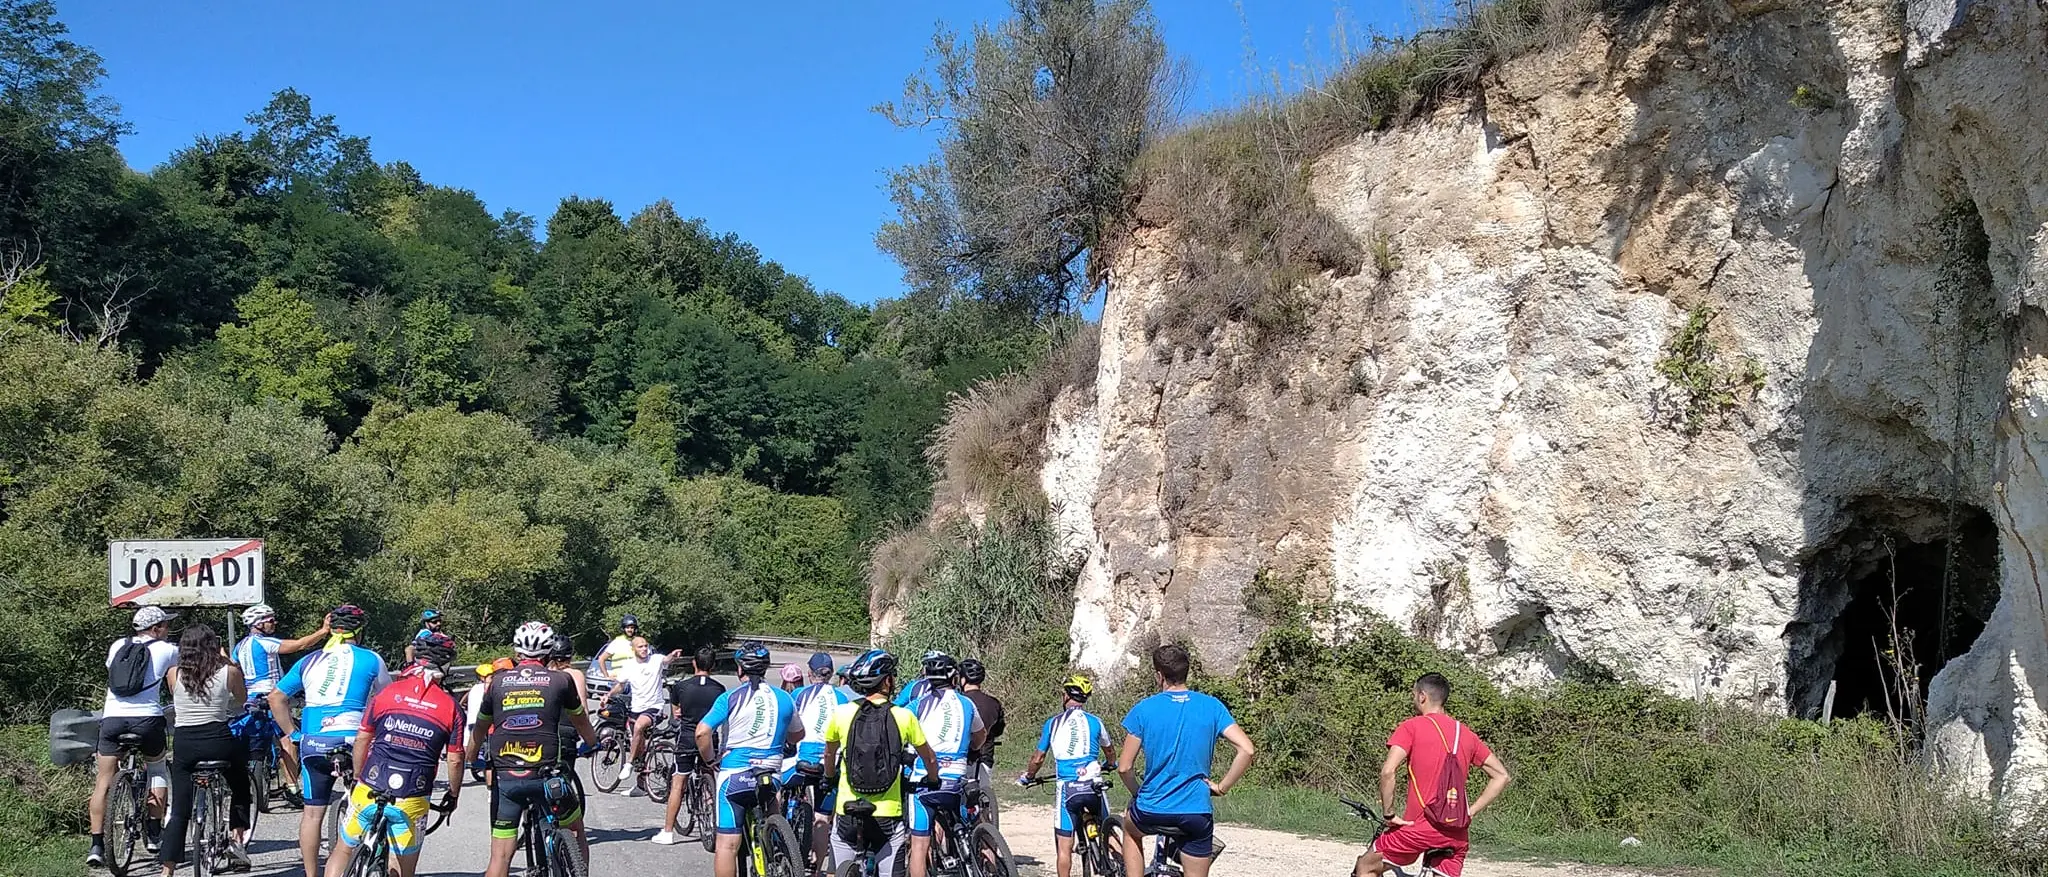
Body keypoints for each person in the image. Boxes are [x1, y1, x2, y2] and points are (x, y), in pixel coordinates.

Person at [326, 633, 465, 877]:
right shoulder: (451, 706)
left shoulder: (387, 693)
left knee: (343, 850)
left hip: (370, 786)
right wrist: (453, 794)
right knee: (402, 866)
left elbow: (362, 738)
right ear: (446, 665)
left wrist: (358, 776)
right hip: (412, 796)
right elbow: (454, 759)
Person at [270, 604, 391, 877]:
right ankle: (367, 854)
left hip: (314, 742)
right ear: (358, 633)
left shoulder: (309, 660)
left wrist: (294, 734)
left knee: (313, 814)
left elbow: (275, 697)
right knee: (371, 800)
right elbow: (387, 701)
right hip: (353, 739)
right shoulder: (371, 658)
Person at [1115, 644, 1255, 877]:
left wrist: (1137, 792)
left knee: (1130, 831)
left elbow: (1124, 767)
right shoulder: (1212, 706)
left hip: (1151, 809)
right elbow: (1247, 750)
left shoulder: (1144, 709)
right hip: (1195, 812)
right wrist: (1221, 787)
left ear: (1159, 675)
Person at [1352, 674, 1511, 877]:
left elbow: (1388, 772)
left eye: (1413, 695)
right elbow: (1502, 776)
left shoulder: (1411, 727)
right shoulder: (1466, 734)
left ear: (1422, 696)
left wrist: (1389, 814)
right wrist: (1470, 812)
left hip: (1419, 827)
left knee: (1366, 866)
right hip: (1457, 833)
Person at [476, 621, 600, 877]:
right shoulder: (562, 680)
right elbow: (581, 721)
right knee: (576, 830)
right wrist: (593, 742)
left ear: (517, 650)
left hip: (508, 778)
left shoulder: (496, 682)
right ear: (548, 651)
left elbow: (479, 729)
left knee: (500, 856)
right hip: (547, 775)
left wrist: (471, 757)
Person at [821, 650, 939, 877]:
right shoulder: (904, 716)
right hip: (888, 813)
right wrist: (932, 779)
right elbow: (929, 758)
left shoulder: (842, 713)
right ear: (887, 681)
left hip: (848, 810)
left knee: (837, 866)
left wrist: (828, 777)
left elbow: (829, 755)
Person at [694, 641, 797, 877]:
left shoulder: (730, 697)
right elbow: (798, 734)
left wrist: (710, 760)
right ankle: (776, 846)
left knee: (727, 845)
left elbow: (702, 732)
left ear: (740, 667)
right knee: (772, 809)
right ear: (766, 667)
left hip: (736, 775)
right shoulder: (785, 698)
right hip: (771, 772)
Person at [157, 623, 252, 876]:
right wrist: (226, 660)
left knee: (179, 810)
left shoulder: (174, 673)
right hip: (218, 740)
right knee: (241, 785)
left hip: (185, 743)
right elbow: (242, 700)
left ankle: (167, 871)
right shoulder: (228, 671)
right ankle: (236, 841)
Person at [88, 606, 179, 869]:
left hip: (113, 719)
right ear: (155, 629)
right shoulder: (168, 650)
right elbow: (175, 684)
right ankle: (153, 833)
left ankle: (96, 845)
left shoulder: (118, 645)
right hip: (147, 720)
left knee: (103, 780)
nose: (168, 630)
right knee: (157, 768)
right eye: (165, 625)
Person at [232, 603, 329, 805]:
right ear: (258, 624)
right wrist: (323, 631)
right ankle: (293, 788)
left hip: (251, 697)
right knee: (289, 739)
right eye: (269, 620)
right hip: (271, 694)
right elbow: (300, 645)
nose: (273, 623)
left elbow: (232, 665)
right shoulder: (265, 643)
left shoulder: (239, 647)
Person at [1019, 675, 1114, 877]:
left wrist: (1028, 776)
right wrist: (1110, 764)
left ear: (1065, 696)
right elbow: (1110, 751)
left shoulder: (1053, 723)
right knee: (1109, 833)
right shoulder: (1096, 722)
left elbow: (1038, 758)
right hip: (1094, 783)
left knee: (1064, 847)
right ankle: (1120, 862)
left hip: (1068, 788)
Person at [902, 651, 985, 870]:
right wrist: (972, 748)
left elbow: (896, 729)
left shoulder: (917, 705)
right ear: (954, 677)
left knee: (919, 846)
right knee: (966, 820)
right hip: (956, 778)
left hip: (924, 780)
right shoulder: (966, 704)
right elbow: (980, 735)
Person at [652, 647, 726, 845]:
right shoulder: (720, 689)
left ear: (694, 663)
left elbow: (676, 713)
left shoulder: (681, 687)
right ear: (713, 665)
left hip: (687, 737)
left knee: (679, 783)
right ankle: (713, 821)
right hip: (709, 738)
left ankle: (668, 831)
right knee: (708, 775)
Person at [784, 651, 849, 866]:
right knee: (822, 817)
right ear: (830, 675)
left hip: (802, 760)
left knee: (773, 781)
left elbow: (788, 725)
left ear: (809, 674)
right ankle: (819, 867)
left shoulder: (800, 694)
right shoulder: (842, 698)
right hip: (829, 763)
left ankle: (775, 830)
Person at [618, 636, 686, 791]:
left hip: (653, 707)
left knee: (639, 727)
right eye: (640, 647)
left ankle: (628, 763)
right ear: (633, 649)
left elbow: (666, 660)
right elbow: (620, 686)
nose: (644, 649)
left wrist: (673, 655)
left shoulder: (655, 659)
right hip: (636, 708)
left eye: (645, 646)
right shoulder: (628, 665)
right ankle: (641, 785)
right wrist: (608, 695)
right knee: (639, 743)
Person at [958, 657, 1006, 821]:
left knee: (958, 802)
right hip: (985, 759)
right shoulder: (994, 703)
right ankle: (987, 842)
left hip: (963, 759)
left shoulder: (959, 702)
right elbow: (998, 729)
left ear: (962, 679)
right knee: (984, 802)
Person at [586, 614, 640, 689]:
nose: (630, 630)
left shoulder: (638, 642)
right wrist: (606, 676)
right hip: (618, 682)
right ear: (623, 629)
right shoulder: (617, 642)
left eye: (632, 628)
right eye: (627, 627)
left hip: (634, 682)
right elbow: (601, 659)